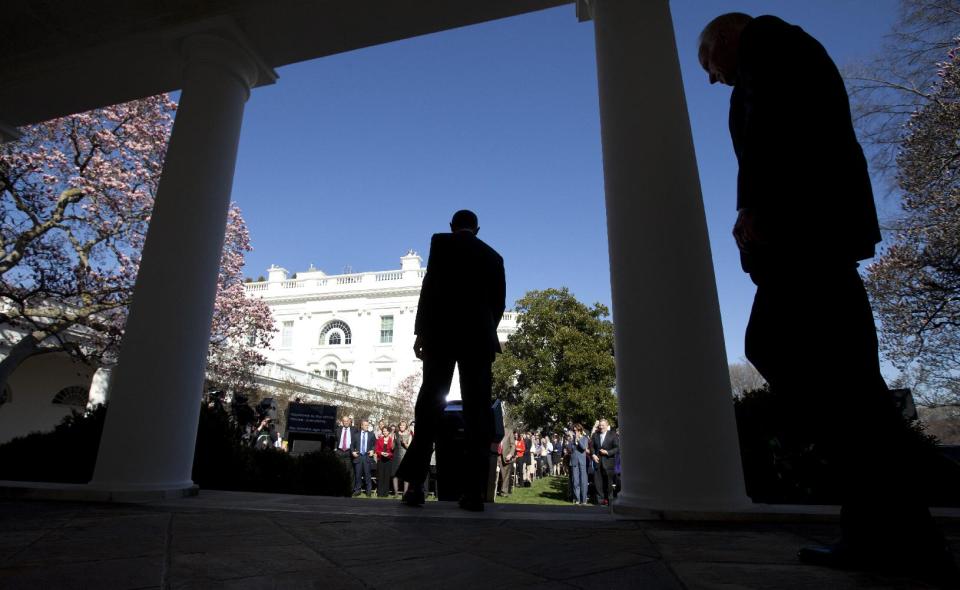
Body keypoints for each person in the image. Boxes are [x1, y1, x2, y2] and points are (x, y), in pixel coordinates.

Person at [698, 12, 954, 578]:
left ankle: (888, 526)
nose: (712, 79)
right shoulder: (778, 59)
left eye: (708, 64)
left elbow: (785, 137)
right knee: (850, 384)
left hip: (805, 240)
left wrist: (761, 212)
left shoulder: (771, 52)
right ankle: (892, 532)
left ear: (725, 40)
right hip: (815, 240)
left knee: (790, 355)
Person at [395, 209, 506, 512]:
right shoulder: (494, 257)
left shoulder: (440, 243)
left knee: (430, 405)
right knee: (478, 413)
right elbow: (498, 304)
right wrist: (483, 328)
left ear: (451, 226)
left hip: (442, 335)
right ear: (478, 229)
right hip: (478, 338)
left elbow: (429, 288)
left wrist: (421, 332)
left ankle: (415, 486)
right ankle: (473, 493)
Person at [590, 419, 618, 506]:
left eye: (603, 425)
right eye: (600, 425)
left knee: (609, 484)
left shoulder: (613, 435)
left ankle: (610, 501)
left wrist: (608, 452)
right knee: (598, 483)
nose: (601, 427)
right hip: (597, 462)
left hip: (608, 463)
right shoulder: (595, 435)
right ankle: (600, 501)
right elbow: (592, 447)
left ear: (607, 425)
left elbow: (617, 448)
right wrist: (593, 455)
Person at [352, 419, 375, 497]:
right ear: (361, 426)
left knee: (367, 475)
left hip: (367, 457)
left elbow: (374, 444)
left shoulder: (371, 434)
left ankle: (368, 491)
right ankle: (357, 490)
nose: (367, 426)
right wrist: (352, 452)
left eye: (367, 425)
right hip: (358, 457)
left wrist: (373, 450)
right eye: (365, 425)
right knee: (357, 475)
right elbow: (352, 445)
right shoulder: (356, 435)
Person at [569, 424, 589, 505]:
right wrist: (572, 440)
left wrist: (578, 439)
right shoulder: (572, 439)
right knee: (575, 481)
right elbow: (570, 449)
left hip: (582, 462)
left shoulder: (584, 438)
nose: (575, 432)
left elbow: (584, 447)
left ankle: (583, 500)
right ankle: (577, 499)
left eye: (576, 430)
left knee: (583, 481)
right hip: (574, 462)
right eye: (574, 430)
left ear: (580, 430)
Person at [393, 420, 412, 497]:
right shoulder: (396, 434)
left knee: (406, 475)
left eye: (403, 425)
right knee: (395, 475)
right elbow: (392, 447)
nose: (401, 427)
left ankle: (405, 493)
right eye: (400, 425)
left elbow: (409, 448)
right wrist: (392, 439)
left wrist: (405, 443)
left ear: (406, 426)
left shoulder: (409, 435)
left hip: (405, 456)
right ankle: (396, 493)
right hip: (396, 456)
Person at [375, 426, 394, 497]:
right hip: (381, 460)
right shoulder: (379, 440)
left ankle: (385, 493)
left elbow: (393, 452)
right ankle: (380, 493)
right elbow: (376, 450)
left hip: (389, 461)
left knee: (386, 477)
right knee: (380, 476)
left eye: (386, 431)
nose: (384, 432)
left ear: (389, 432)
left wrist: (389, 454)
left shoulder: (392, 440)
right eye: (383, 431)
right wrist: (381, 453)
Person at [497, 427, 516, 497]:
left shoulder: (509, 431)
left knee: (505, 476)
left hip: (505, 456)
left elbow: (513, 445)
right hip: (495, 455)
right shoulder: (494, 429)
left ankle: (504, 492)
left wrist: (510, 454)